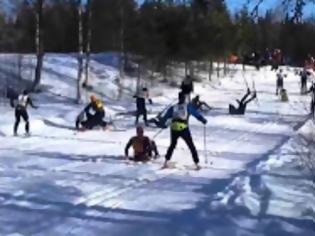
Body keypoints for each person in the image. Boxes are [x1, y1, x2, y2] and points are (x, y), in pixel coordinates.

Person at [161, 92, 207, 170]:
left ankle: (166, 162)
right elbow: (195, 114)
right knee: (191, 146)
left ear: (178, 98)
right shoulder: (187, 106)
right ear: (184, 98)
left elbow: (165, 117)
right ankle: (197, 163)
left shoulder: (173, 107)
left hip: (174, 128)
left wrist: (163, 124)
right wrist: (202, 120)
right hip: (183, 128)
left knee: (172, 145)